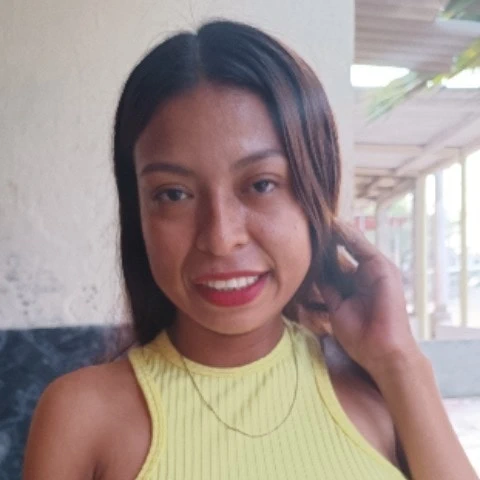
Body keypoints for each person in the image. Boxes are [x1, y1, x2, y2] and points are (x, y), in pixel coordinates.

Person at [23, 20, 477, 480]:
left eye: (261, 184)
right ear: (138, 213)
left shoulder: (378, 386)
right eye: (174, 194)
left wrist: (398, 361)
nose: (221, 237)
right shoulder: (81, 417)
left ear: (316, 194)